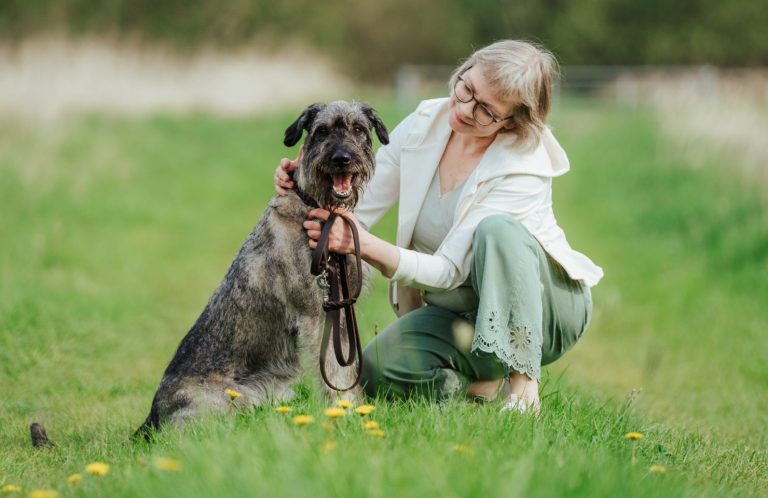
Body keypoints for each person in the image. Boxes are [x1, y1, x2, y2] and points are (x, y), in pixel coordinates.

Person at [274, 40, 603, 413]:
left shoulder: (523, 166)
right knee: (375, 372)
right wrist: (303, 181)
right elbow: (357, 204)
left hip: (546, 312)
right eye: (466, 87)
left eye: (485, 111)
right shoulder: (424, 124)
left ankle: (524, 387)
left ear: (510, 121)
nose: (463, 108)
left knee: (499, 231)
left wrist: (362, 244)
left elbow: (448, 270)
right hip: (460, 313)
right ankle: (477, 382)